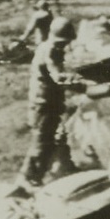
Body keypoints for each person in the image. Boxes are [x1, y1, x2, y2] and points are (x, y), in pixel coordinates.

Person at [20, 17, 84, 188]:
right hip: (44, 102)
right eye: (64, 42)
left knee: (56, 135)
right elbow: (58, 77)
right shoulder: (51, 50)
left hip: (48, 100)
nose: (65, 45)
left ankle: (64, 168)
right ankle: (31, 178)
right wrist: (81, 85)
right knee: (42, 142)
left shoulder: (46, 46)